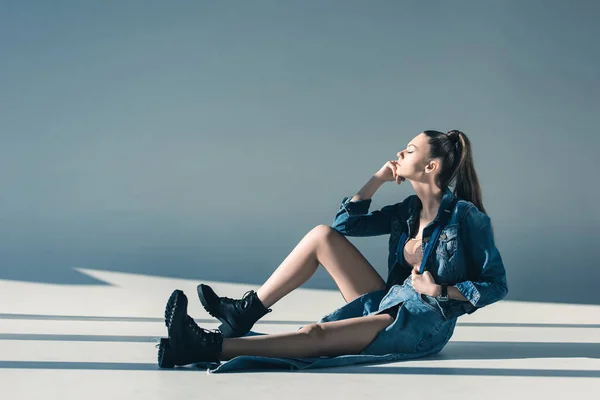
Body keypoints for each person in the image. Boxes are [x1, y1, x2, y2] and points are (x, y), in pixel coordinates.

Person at [157, 129, 508, 371]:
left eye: (410, 150)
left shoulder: (465, 217)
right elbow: (345, 226)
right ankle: (243, 313)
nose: (400, 153)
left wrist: (439, 290)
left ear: (431, 166)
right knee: (321, 236)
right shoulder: (408, 210)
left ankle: (205, 346)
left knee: (315, 336)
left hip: (421, 323)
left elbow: (496, 284)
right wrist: (376, 180)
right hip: (391, 299)